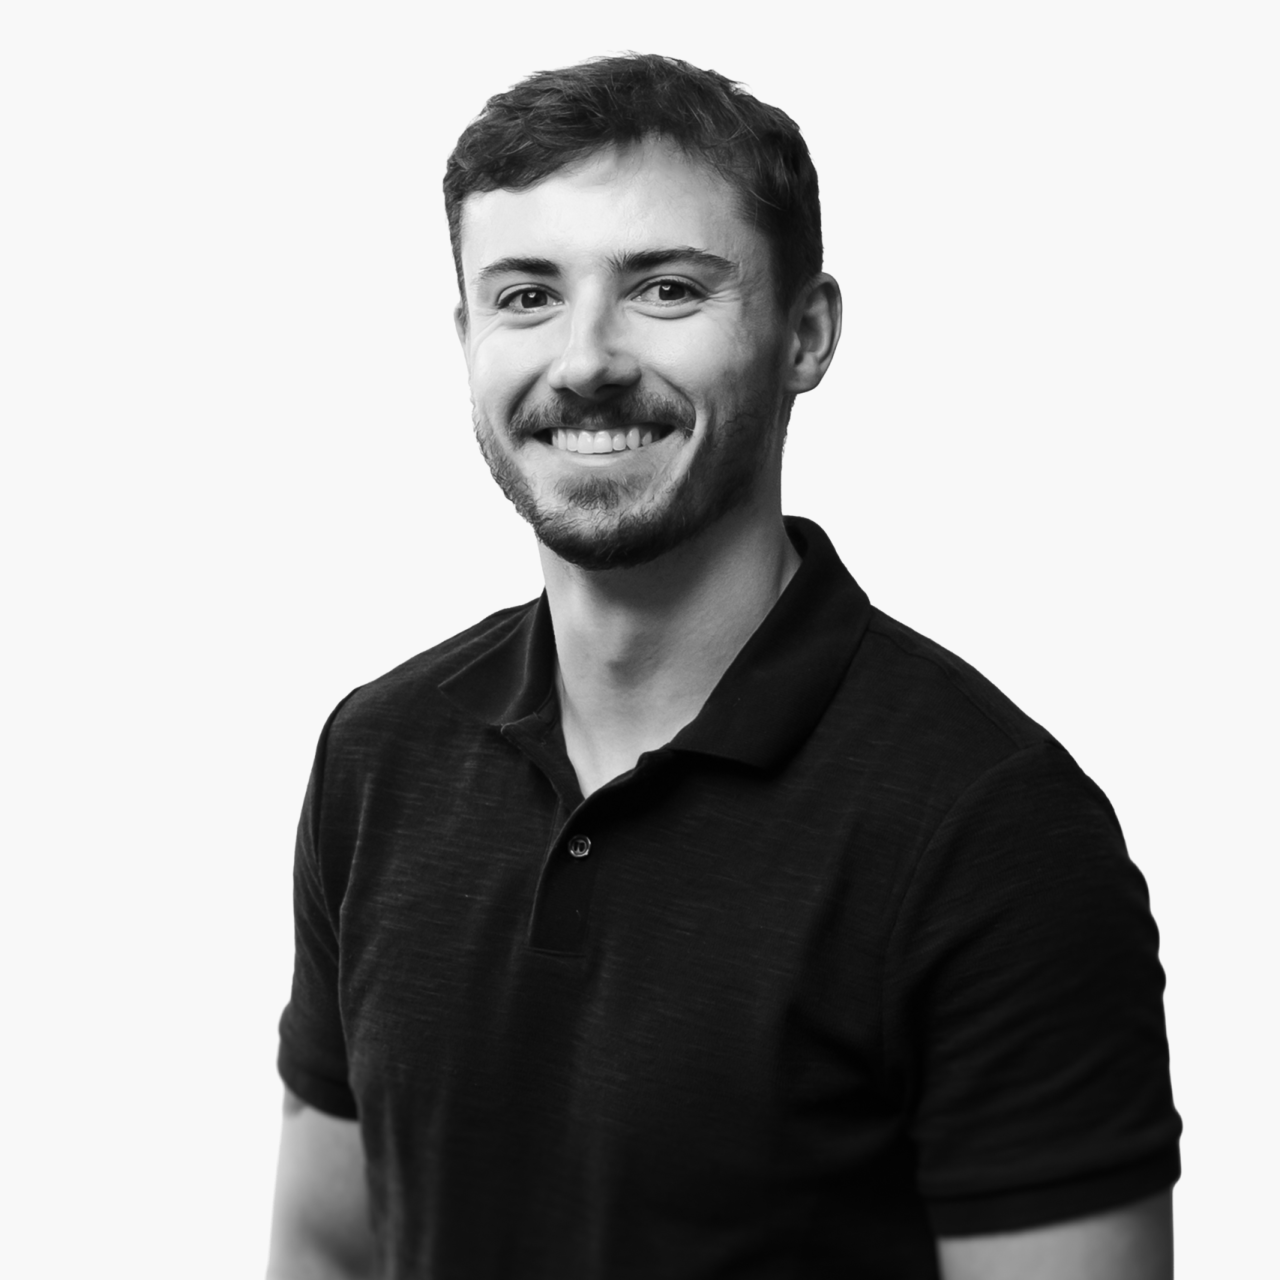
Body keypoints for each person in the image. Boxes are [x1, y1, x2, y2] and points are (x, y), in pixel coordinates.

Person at [267, 53, 1180, 1280]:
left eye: (664, 289)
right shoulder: (377, 755)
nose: (584, 358)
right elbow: (327, 1246)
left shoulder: (990, 831)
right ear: (467, 336)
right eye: (525, 295)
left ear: (805, 333)